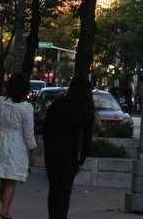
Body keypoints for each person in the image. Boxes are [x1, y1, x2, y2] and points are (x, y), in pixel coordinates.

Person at [42, 77, 95, 219]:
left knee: (53, 190)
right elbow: (87, 138)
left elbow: (46, 130)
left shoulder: (58, 104)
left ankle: (52, 216)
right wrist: (81, 160)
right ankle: (61, 216)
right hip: (70, 156)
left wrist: (47, 150)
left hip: (53, 154)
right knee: (65, 191)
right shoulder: (85, 108)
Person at [0, 72, 37, 219]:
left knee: (3, 179)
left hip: (0, 142)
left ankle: (5, 212)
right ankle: (3, 213)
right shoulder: (26, 108)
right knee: (11, 180)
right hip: (17, 145)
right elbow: (28, 134)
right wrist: (32, 154)